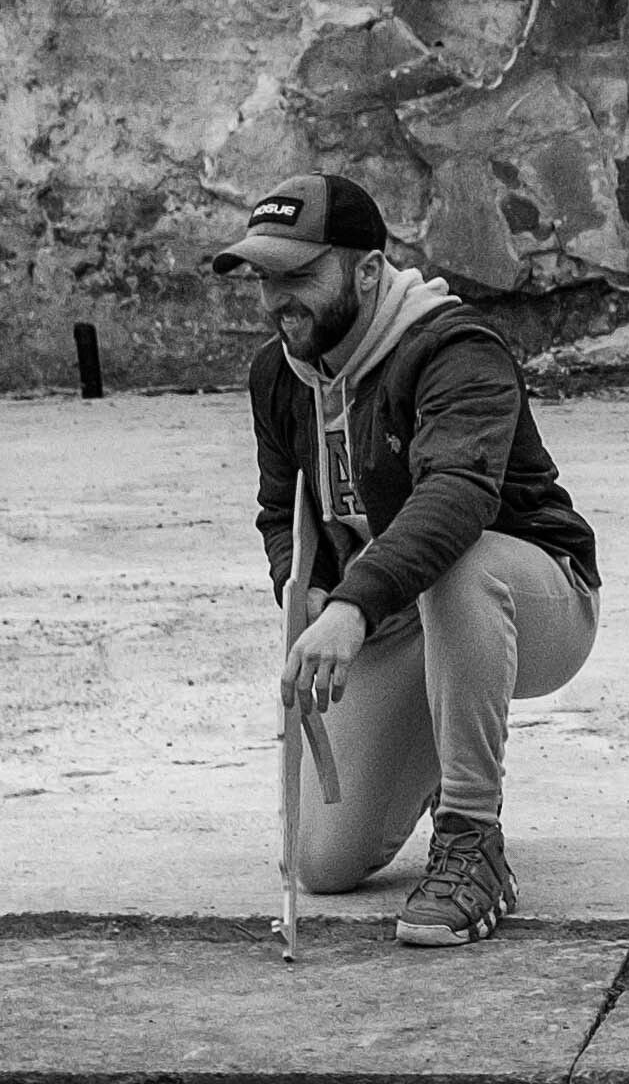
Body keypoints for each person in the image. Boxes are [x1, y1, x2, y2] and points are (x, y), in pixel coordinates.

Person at [217, 170, 602, 945]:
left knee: (459, 558)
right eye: (265, 278)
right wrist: (314, 591)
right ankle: (434, 725)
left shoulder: (455, 348)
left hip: (533, 597)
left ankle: (471, 838)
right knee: (318, 863)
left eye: (299, 275)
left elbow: (455, 496)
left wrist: (356, 607)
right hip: (397, 617)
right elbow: (278, 513)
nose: (276, 299)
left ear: (366, 270)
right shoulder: (279, 376)